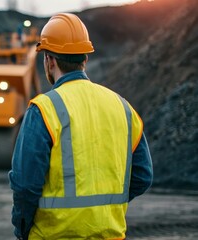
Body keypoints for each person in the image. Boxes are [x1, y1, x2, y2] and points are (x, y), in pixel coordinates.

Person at [9, 13, 153, 239]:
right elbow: (143, 176)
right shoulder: (123, 108)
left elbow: (25, 184)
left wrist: (22, 228)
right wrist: (103, 210)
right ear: (84, 59)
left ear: (49, 60)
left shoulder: (44, 109)